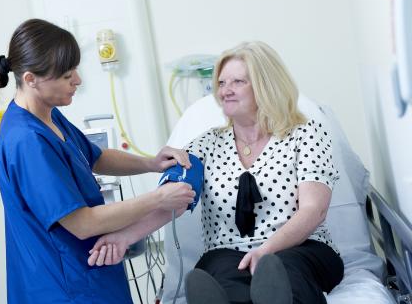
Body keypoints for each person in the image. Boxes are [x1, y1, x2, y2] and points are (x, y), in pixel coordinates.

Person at [88, 41, 344, 304]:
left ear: (266, 85)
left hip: (299, 247)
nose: (225, 91)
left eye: (238, 82)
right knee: (224, 280)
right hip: (228, 251)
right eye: (221, 83)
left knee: (286, 274)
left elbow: (314, 210)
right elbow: (171, 202)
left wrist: (266, 251)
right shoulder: (204, 146)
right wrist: (123, 237)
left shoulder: (305, 134)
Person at [0, 18, 196, 304]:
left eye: (75, 69)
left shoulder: (47, 115)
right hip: (63, 286)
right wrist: (158, 199)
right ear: (31, 79)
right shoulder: (27, 141)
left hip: (91, 272)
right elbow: (82, 224)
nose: (78, 80)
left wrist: (151, 162)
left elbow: (94, 156)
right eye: (65, 75)